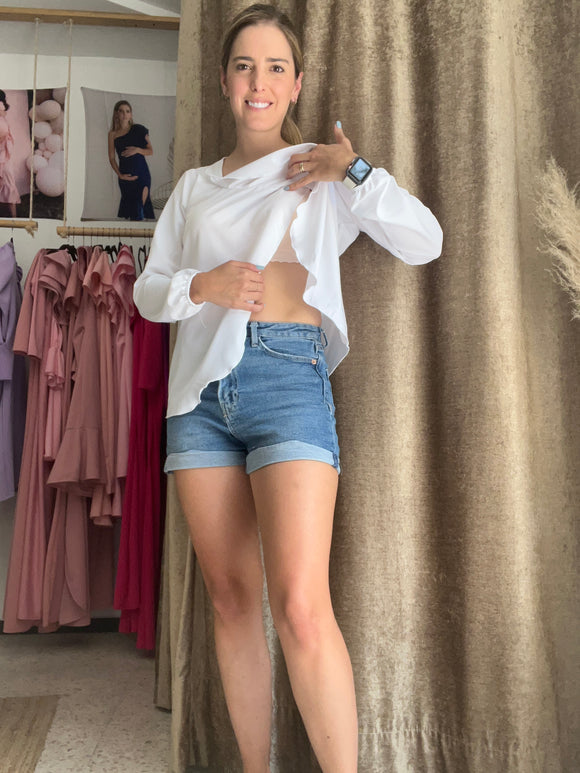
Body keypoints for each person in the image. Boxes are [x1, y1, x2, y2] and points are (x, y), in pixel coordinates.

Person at [134, 4, 442, 771]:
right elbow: (149, 289)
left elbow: (424, 239)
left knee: (301, 606)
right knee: (231, 599)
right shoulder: (195, 187)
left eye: (275, 67)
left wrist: (356, 170)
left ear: (296, 82)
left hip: (288, 377)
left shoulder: (320, 170)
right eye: (244, 66)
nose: (258, 82)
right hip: (200, 396)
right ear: (224, 79)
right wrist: (200, 284)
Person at [108, 99, 154, 220]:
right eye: (121, 111)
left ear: (131, 114)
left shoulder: (139, 129)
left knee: (141, 211)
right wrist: (120, 175)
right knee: (130, 212)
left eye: (127, 111)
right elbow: (112, 158)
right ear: (116, 114)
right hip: (125, 177)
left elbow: (150, 151)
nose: (125, 114)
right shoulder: (112, 134)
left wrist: (137, 150)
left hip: (141, 175)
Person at [0, 90, 21, 218]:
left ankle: (14, 218)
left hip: (3, 153)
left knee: (8, 181)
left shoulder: (1, 110)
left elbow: (4, 131)